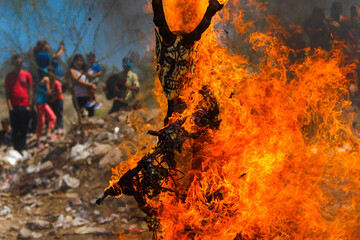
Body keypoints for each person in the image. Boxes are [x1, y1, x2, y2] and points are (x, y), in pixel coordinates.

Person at [4, 55, 33, 154]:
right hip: (14, 107)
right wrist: (10, 107)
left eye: (21, 62)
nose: (19, 64)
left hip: (25, 106)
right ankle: (16, 147)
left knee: (24, 127)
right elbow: (7, 93)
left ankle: (23, 146)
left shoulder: (27, 75)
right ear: (13, 64)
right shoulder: (9, 76)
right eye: (17, 62)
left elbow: (30, 90)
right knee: (15, 128)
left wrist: (29, 105)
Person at [34, 68, 57, 149]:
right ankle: (38, 141)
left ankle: (48, 135)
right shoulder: (46, 79)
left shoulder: (44, 79)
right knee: (41, 122)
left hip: (43, 102)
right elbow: (49, 92)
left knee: (53, 117)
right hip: (40, 102)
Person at [48, 67, 64, 135]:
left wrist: (53, 99)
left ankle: (60, 127)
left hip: (58, 100)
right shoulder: (49, 82)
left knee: (59, 114)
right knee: (54, 114)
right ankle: (54, 127)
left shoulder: (56, 82)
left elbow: (59, 92)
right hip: (53, 101)